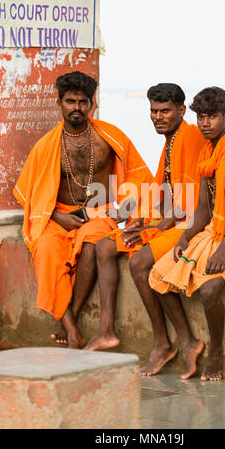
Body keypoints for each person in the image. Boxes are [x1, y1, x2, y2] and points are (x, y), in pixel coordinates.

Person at [13, 71, 153, 349]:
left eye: (83, 101)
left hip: (99, 213)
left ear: (93, 103)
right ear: (59, 103)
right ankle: (72, 330)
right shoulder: (46, 147)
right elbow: (32, 196)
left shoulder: (110, 138)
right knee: (45, 250)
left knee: (91, 244)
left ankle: (69, 321)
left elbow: (137, 177)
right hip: (59, 215)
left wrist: (127, 209)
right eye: (70, 101)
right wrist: (57, 216)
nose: (77, 107)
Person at [84, 83, 206, 375]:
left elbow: (194, 198)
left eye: (165, 111)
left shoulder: (190, 136)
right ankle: (106, 331)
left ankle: (174, 342)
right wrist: (140, 219)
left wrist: (155, 223)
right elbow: (161, 192)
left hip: (189, 225)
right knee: (105, 246)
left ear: (181, 110)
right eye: (153, 111)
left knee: (140, 263)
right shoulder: (171, 140)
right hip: (171, 219)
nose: (158, 117)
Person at [149, 86, 225, 381]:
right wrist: (186, 236)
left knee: (210, 289)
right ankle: (187, 342)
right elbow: (202, 208)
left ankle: (216, 353)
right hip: (213, 227)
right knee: (157, 276)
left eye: (211, 117)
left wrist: (223, 249)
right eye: (201, 118)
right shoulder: (207, 151)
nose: (204, 124)